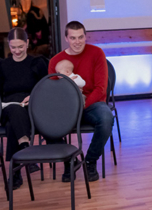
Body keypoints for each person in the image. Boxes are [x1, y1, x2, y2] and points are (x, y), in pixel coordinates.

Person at [48, 21, 114, 183]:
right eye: (73, 38)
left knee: (107, 118)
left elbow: (101, 88)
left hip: (92, 104)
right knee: (45, 122)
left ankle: (90, 161)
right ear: (66, 38)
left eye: (80, 37)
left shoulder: (96, 53)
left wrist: (82, 106)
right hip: (67, 107)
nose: (77, 41)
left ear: (85, 36)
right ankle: (70, 161)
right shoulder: (56, 61)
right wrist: (70, 108)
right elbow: (54, 93)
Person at [0, 27, 48, 189]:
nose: (17, 51)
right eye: (13, 47)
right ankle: (26, 151)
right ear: (8, 45)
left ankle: (15, 173)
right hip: (7, 107)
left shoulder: (37, 63)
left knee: (13, 125)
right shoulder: (2, 65)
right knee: (14, 111)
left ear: (27, 43)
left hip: (31, 108)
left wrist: (33, 96)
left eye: (20, 47)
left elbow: (46, 89)